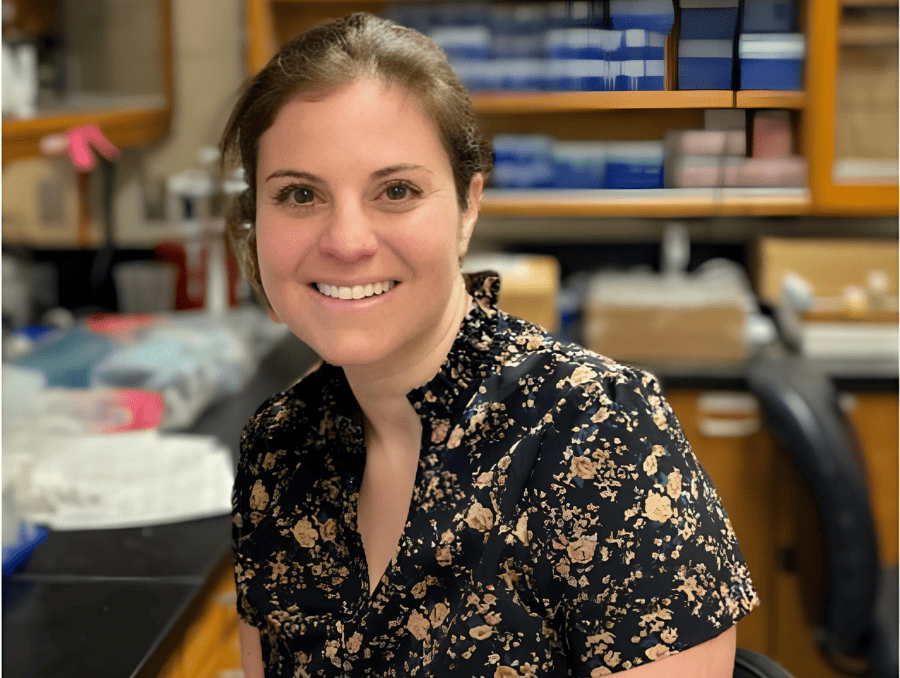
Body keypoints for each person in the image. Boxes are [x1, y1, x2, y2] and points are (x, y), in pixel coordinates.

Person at [221, 12, 758, 678]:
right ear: (255, 219)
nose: (347, 241)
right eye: (300, 194)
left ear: (469, 207)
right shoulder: (278, 449)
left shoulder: (596, 438)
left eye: (397, 191)